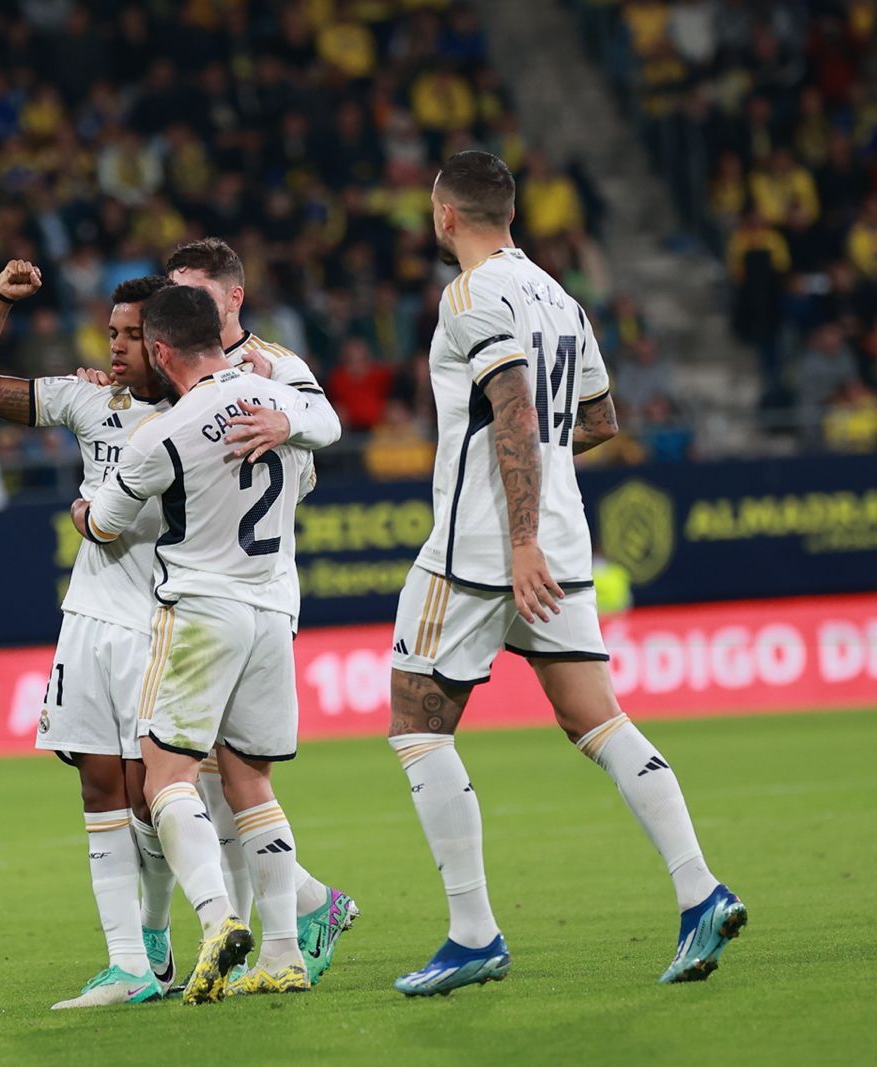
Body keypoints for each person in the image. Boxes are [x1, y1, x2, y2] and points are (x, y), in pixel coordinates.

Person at [387, 151, 744, 997]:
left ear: (444, 215)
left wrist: (514, 535)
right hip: (560, 535)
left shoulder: (468, 296)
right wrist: (539, 491)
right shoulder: (560, 295)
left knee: (417, 724)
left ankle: (473, 933)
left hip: (483, 547)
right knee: (597, 718)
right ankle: (700, 889)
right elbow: (602, 418)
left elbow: (511, 404)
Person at [73, 284, 320, 1004]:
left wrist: (83, 509)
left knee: (165, 775)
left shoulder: (167, 431)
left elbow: (109, 523)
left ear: (160, 350)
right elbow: (325, 428)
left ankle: (216, 920)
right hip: (274, 607)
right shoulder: (279, 399)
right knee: (251, 782)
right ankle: (282, 953)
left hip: (204, 608)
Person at [0, 262, 174, 1008]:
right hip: (87, 620)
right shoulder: (92, 401)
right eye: (111, 332)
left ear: (168, 340)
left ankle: (158, 932)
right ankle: (127, 965)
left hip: (162, 622)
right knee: (98, 786)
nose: (115, 347)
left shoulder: (197, 413)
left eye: (132, 335)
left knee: (157, 801)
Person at [161, 238, 358, 982]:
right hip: (209, 582)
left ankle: (268, 929)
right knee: (217, 777)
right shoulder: (179, 363)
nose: (177, 303)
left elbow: (329, 422)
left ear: (232, 297)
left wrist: (287, 423)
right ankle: (286, 920)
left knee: (231, 773)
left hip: (256, 584)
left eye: (191, 290)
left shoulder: (274, 363)